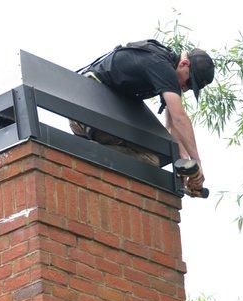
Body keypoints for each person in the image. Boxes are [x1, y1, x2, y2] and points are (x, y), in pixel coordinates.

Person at [71, 39, 215, 191]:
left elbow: (172, 126)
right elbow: (180, 118)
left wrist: (186, 165)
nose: (187, 88)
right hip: (90, 103)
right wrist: (197, 161)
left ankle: (89, 154)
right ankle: (84, 153)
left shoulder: (167, 69)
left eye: (192, 88)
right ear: (184, 63)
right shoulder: (161, 65)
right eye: (189, 81)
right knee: (150, 154)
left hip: (101, 110)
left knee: (151, 158)